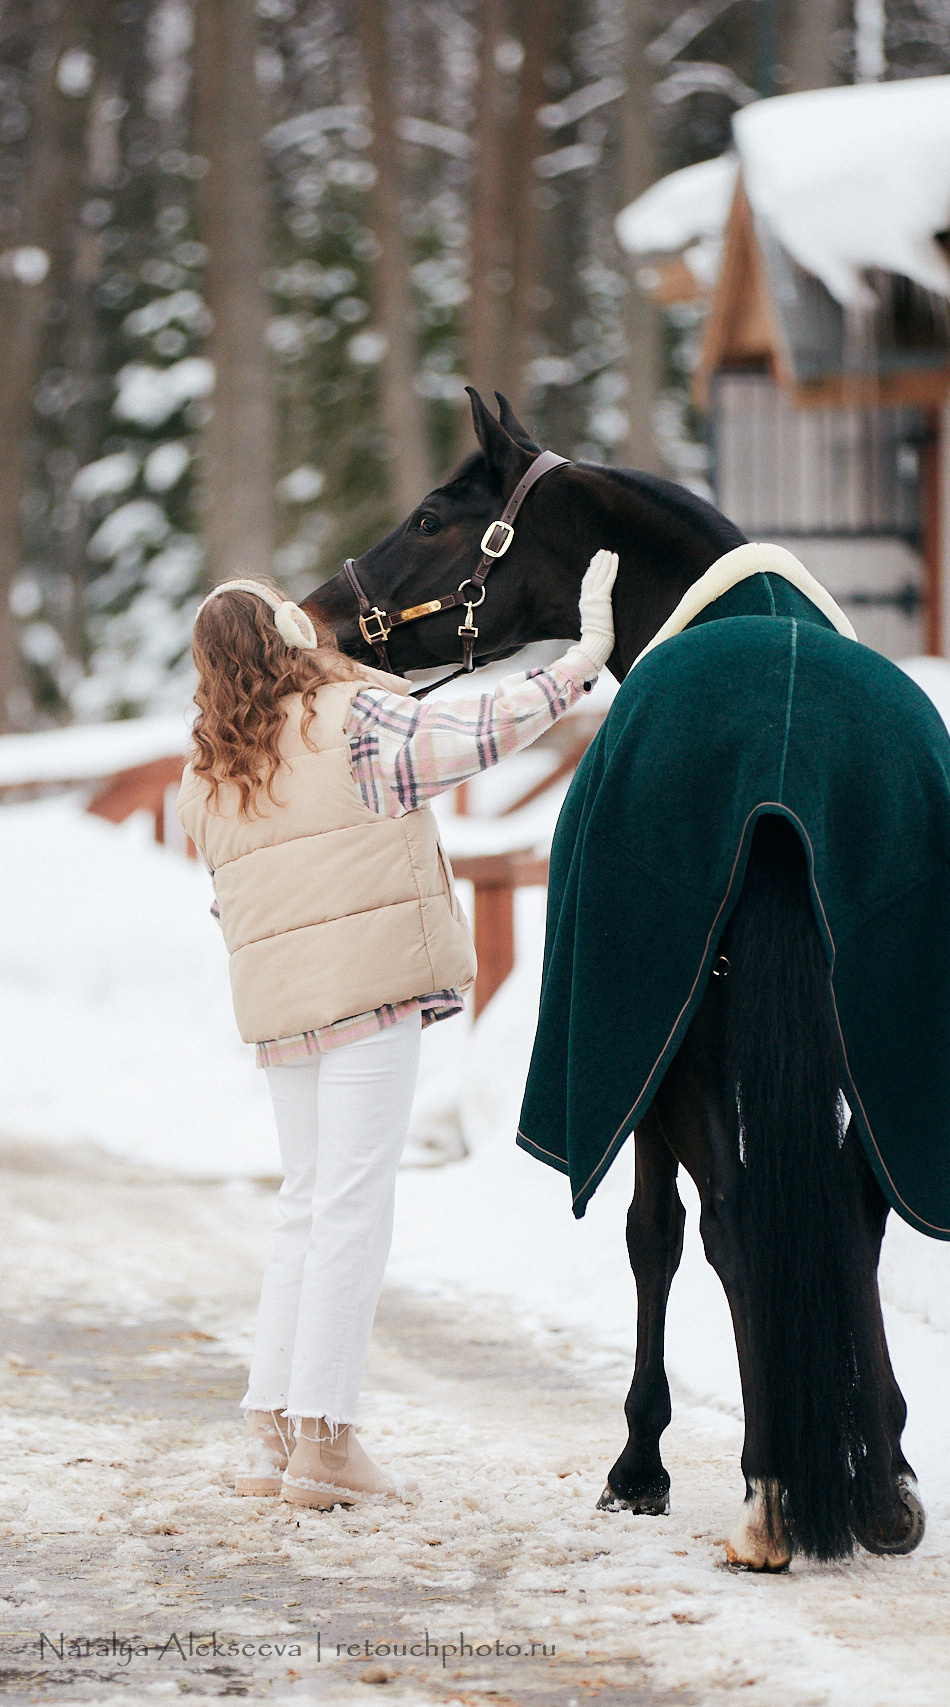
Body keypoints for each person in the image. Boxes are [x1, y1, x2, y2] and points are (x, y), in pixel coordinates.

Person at [175, 552, 619, 1509]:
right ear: (293, 635)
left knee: (306, 1201)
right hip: (369, 999)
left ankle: (271, 1433)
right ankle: (327, 1443)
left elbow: (232, 906)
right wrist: (580, 661)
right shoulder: (355, 723)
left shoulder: (205, 776)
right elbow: (479, 728)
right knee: (352, 1208)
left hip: (284, 1014)